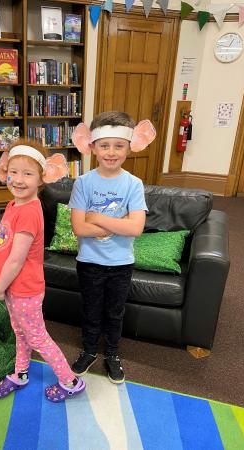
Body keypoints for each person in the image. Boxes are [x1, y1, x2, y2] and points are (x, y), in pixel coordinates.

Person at [0, 139, 86, 402]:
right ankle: (20, 373)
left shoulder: (30, 212)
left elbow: (17, 260)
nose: (18, 180)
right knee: (20, 333)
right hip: (11, 287)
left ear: (41, 179)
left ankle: (70, 381)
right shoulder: (14, 205)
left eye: (27, 174)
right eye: (14, 172)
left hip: (23, 289)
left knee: (38, 338)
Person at [68, 111, 156, 383]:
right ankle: (90, 349)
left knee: (115, 312)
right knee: (91, 309)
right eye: (104, 145)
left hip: (120, 264)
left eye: (119, 145)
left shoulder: (133, 184)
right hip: (90, 262)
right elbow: (79, 228)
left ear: (130, 147)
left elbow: (136, 228)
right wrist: (119, 223)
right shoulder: (83, 183)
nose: (111, 152)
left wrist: (97, 217)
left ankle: (113, 354)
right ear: (92, 147)